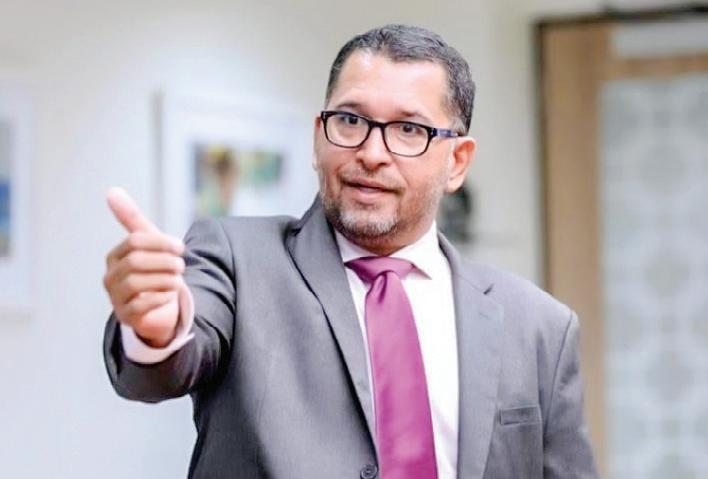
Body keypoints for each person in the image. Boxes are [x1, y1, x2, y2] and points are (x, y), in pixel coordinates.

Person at [102, 24, 598, 479]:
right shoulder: (236, 261)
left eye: (409, 130)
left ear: (457, 162)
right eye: (349, 120)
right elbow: (164, 369)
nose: (371, 153)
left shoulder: (539, 327)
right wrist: (156, 328)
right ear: (319, 136)